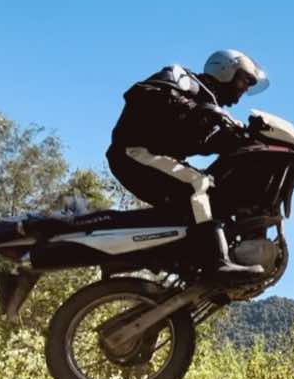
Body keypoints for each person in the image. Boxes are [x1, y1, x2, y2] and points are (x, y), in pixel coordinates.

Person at [106, 49, 271, 276]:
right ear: (225, 70)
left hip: (152, 158)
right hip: (133, 152)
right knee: (198, 185)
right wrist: (197, 108)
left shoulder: (210, 109)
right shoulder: (184, 79)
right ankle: (216, 262)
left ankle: (187, 262)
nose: (244, 89)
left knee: (214, 192)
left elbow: (206, 142)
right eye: (244, 80)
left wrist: (246, 138)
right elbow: (142, 93)